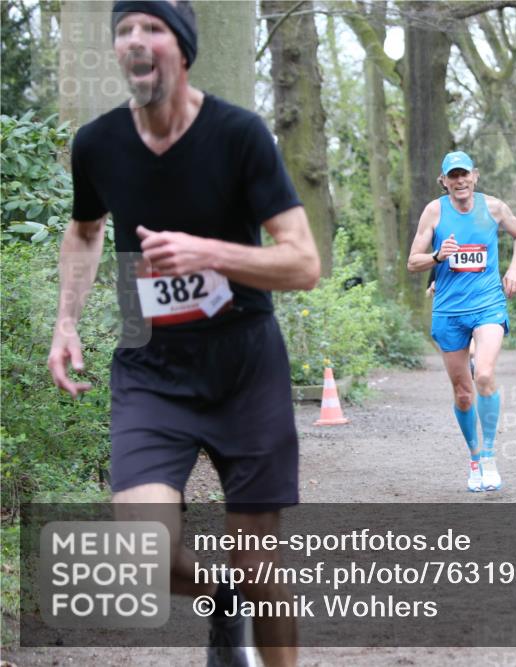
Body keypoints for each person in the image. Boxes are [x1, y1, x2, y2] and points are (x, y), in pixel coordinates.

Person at [47, 3, 320, 666]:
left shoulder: (239, 135)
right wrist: (66, 321)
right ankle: (220, 597)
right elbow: (85, 232)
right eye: (123, 30)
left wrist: (210, 253)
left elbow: (304, 262)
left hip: (244, 362)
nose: (134, 41)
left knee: (260, 557)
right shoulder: (98, 144)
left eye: (153, 28)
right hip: (150, 364)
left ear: (184, 48)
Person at [407, 151, 516, 492]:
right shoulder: (434, 211)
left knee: (484, 374)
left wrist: (514, 269)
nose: (459, 181)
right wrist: (436, 256)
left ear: (475, 176)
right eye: (452, 176)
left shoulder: (493, 208)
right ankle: (474, 457)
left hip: (488, 303)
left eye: (464, 174)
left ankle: (489, 456)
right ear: (444, 181)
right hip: (449, 310)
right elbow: (412, 262)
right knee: (463, 394)